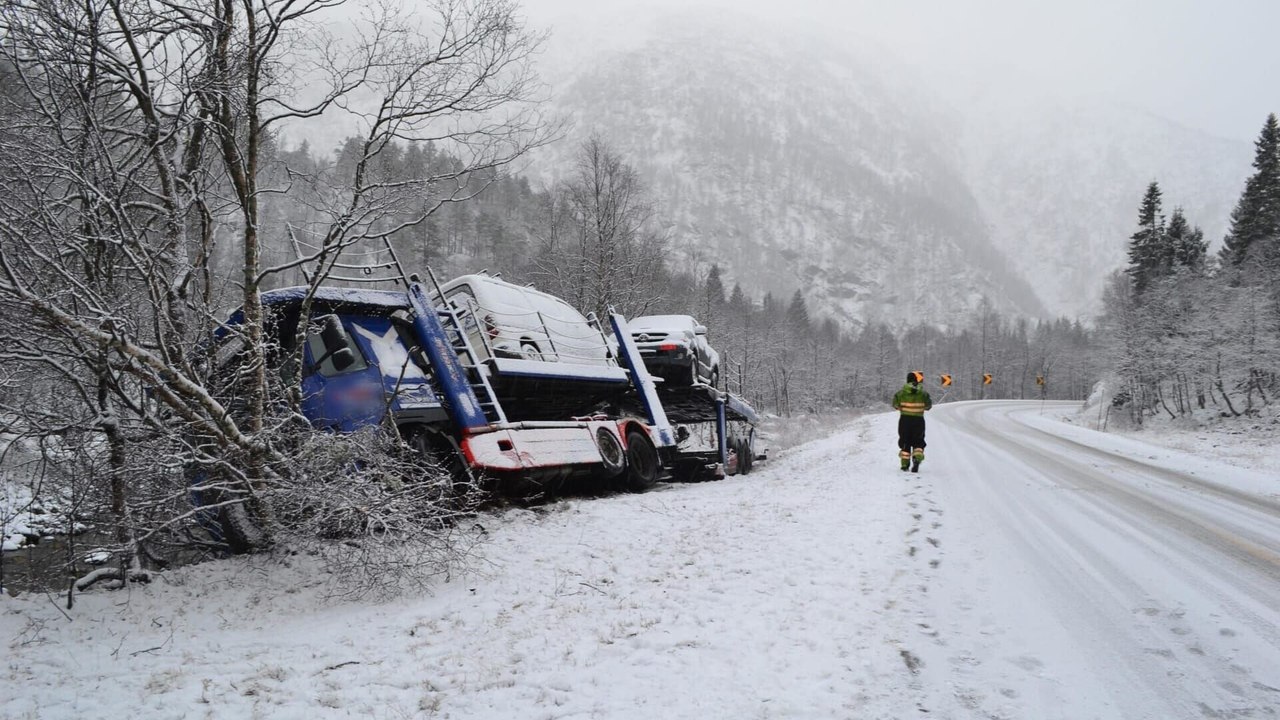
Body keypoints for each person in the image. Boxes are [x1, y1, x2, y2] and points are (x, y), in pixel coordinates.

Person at [892, 371, 932, 472]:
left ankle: (905, 465)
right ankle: (917, 459)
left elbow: (895, 405)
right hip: (919, 420)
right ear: (916, 380)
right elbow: (928, 406)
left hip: (904, 420)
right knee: (918, 441)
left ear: (907, 380)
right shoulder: (924, 394)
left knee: (905, 441)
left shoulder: (900, 393)